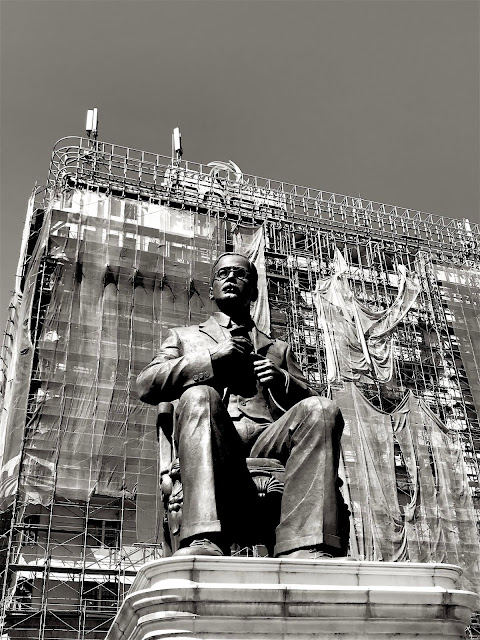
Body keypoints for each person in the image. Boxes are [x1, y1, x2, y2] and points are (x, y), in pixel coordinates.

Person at [137, 253, 345, 558]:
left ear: (255, 292)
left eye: (240, 274)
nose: (231, 278)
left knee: (322, 410)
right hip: (214, 439)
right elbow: (146, 384)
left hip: (269, 444)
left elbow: (315, 406)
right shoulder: (184, 337)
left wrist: (284, 380)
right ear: (211, 290)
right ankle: (204, 539)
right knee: (199, 396)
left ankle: (306, 545)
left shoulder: (278, 349)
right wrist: (212, 358)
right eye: (223, 274)